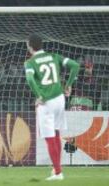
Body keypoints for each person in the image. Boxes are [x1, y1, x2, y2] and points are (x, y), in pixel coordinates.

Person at [24, 34, 79, 181]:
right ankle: (56, 168)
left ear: (30, 46)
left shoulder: (30, 62)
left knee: (49, 138)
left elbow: (29, 79)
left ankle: (58, 173)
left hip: (47, 102)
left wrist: (38, 95)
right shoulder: (54, 56)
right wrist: (68, 85)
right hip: (60, 98)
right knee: (55, 134)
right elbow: (75, 65)